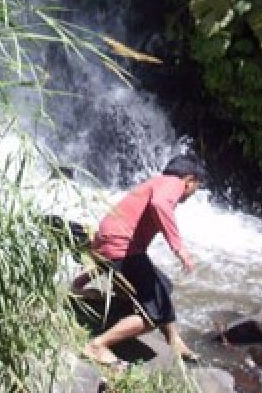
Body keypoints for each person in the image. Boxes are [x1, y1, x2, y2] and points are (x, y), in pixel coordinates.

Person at [76, 154, 207, 369]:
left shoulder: (156, 182)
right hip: (122, 248)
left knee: (162, 286)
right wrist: (179, 248)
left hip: (114, 245)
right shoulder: (172, 184)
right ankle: (97, 346)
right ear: (189, 180)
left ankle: (174, 341)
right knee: (152, 314)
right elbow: (159, 205)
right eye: (196, 188)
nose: (193, 194)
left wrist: (80, 281)